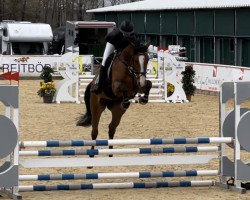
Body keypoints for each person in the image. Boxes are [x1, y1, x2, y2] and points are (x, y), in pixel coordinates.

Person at [91, 20, 135, 94]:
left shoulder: (133, 36)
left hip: (123, 49)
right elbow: (109, 40)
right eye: (125, 33)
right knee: (105, 61)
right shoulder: (114, 35)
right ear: (121, 31)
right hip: (113, 44)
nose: (127, 35)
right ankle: (99, 84)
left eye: (128, 33)